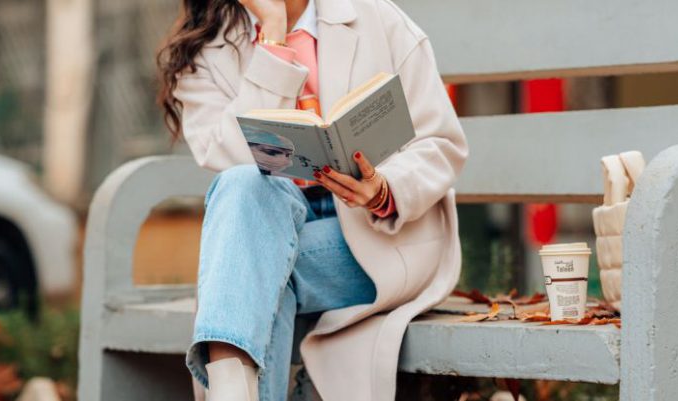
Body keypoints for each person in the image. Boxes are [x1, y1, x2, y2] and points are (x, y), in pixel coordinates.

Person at [156, 0, 468, 400]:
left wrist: (384, 188)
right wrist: (272, 34)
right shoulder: (203, 51)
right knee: (243, 190)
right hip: (271, 219)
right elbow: (236, 159)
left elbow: (441, 141)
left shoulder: (375, 16)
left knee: (253, 267)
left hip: (381, 235)